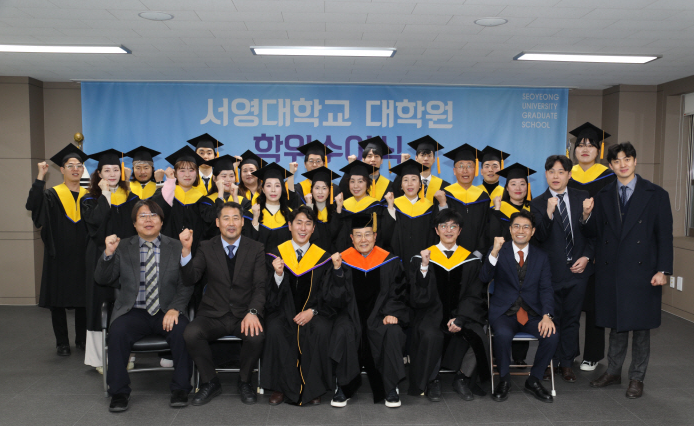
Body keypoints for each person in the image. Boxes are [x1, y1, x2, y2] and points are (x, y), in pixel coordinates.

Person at [582, 142, 673, 399]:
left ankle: (637, 377)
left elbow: (664, 236)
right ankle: (613, 371)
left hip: (644, 271)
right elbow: (595, 233)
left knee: (641, 328)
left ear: (634, 161)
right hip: (612, 269)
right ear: (610, 166)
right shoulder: (603, 195)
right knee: (616, 324)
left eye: (627, 159)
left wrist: (663, 270)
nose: (622, 164)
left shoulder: (656, 194)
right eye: (616, 161)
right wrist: (586, 216)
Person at [94, 199, 194, 412]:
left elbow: (186, 283)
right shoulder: (122, 246)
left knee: (183, 331)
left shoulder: (176, 246)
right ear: (134, 223)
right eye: (142, 216)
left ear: (161, 221)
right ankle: (119, 392)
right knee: (118, 333)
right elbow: (102, 279)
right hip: (133, 311)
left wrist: (176, 308)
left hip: (166, 310)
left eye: (153, 215)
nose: (148, 220)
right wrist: (108, 253)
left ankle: (181, 388)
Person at [181, 202, 267, 405]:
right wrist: (186, 250)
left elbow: (260, 286)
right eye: (226, 218)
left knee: (256, 336)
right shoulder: (206, 247)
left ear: (243, 222)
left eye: (236, 218)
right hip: (213, 313)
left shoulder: (256, 248)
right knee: (191, 333)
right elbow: (191, 278)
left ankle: (245, 381)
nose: (231, 223)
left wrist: (253, 312)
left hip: (244, 313)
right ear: (218, 222)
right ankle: (210, 381)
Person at [326, 214, 409, 408]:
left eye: (367, 234)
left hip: (380, 316)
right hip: (351, 315)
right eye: (358, 235)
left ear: (375, 236)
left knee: (392, 331)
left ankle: (390, 386)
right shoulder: (342, 260)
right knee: (343, 329)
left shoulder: (389, 261)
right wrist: (337, 272)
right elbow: (333, 298)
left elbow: (399, 291)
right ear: (351, 238)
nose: (363, 240)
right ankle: (344, 385)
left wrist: (392, 312)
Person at [408, 209, 489, 402]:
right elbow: (416, 297)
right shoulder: (423, 258)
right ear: (436, 230)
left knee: (479, 334)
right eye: (443, 226)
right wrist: (424, 267)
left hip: (462, 314)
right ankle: (432, 380)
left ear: (460, 231)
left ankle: (462, 377)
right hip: (431, 314)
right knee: (430, 333)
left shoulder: (470, 260)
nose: (448, 230)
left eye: (453, 226)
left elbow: (474, 294)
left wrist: (461, 318)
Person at [479, 211, 558, 403]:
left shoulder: (541, 256)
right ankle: (504, 379)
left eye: (526, 227)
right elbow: (483, 278)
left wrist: (547, 315)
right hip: (504, 313)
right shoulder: (499, 250)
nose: (520, 230)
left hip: (532, 313)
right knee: (503, 335)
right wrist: (494, 252)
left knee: (552, 335)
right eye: (516, 226)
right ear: (510, 229)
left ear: (533, 231)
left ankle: (534, 379)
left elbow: (546, 288)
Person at [262, 206, 335, 406]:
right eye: (299, 223)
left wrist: (312, 311)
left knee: (320, 329)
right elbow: (268, 297)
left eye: (308, 224)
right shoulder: (276, 255)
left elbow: (328, 294)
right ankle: (280, 386)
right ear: (289, 226)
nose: (303, 228)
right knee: (275, 328)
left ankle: (314, 387)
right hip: (282, 311)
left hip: (313, 313)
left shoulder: (323, 258)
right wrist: (278, 275)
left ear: (313, 228)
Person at [530, 155, 593, 383]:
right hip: (550, 271)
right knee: (551, 318)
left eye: (560, 172)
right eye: (551, 172)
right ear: (546, 175)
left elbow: (594, 233)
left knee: (572, 318)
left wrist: (587, 256)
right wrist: (548, 213)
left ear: (569, 174)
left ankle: (566, 363)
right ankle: (550, 361)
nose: (555, 176)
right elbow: (539, 237)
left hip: (578, 269)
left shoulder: (583, 197)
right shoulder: (537, 202)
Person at [26, 144, 89, 356]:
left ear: (83, 169)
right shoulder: (52, 195)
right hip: (59, 255)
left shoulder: (91, 196)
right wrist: (40, 177)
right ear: (61, 170)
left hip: (84, 255)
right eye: (70, 165)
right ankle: (62, 342)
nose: (75, 169)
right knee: (57, 300)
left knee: (84, 300)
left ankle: (82, 339)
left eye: (78, 165)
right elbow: (32, 205)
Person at [81, 149, 140, 372]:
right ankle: (98, 359)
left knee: (127, 303)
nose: (112, 174)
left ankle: (128, 355)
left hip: (127, 257)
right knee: (98, 304)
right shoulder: (89, 199)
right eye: (107, 170)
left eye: (116, 170)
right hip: (99, 256)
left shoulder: (132, 198)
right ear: (99, 174)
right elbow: (95, 224)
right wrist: (105, 195)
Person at [566, 122, 616, 372]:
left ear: (599, 150)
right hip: (570, 248)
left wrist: (595, 251)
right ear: (574, 150)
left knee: (595, 305)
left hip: (597, 249)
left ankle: (592, 355)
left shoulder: (608, 177)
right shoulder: (567, 174)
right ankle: (568, 352)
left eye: (591, 145)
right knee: (570, 305)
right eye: (581, 145)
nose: (585, 149)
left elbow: (611, 218)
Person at [489, 163, 536, 367]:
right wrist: (497, 211)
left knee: (525, 305)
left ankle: (519, 356)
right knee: (505, 309)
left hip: (528, 267)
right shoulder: (497, 209)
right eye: (513, 184)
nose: (518, 188)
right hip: (503, 269)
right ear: (506, 187)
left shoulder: (534, 209)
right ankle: (499, 355)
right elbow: (491, 237)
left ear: (527, 187)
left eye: (522, 184)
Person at [434, 144, 490, 255]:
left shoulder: (483, 197)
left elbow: (486, 227)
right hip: (449, 253)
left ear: (475, 170)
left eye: (469, 166)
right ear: (454, 171)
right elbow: (437, 225)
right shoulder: (445, 194)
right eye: (460, 166)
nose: (465, 170)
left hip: (477, 255)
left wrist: (479, 252)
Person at [382, 159, 435, 265]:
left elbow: (433, 237)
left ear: (420, 184)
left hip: (423, 261)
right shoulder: (393, 206)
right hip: (397, 262)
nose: (409, 184)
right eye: (405, 180)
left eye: (414, 179)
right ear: (401, 185)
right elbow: (386, 235)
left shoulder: (429, 208)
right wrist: (391, 208)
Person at [335, 160, 387, 251]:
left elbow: (380, 237)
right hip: (347, 255)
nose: (355, 186)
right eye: (352, 181)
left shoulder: (376, 207)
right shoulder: (344, 206)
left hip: (370, 255)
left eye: (360, 181)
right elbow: (338, 235)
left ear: (367, 183)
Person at [248, 162, 299, 249]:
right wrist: (255, 220)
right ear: (263, 189)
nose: (273, 190)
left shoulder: (291, 215)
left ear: (282, 189)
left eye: (277, 186)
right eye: (268, 185)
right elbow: (248, 244)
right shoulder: (252, 214)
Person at [200, 155, 250, 239]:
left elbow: (246, 228)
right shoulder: (206, 202)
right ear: (214, 178)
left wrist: (235, 198)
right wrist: (220, 194)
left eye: (231, 176)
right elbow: (208, 227)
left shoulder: (244, 202)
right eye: (224, 176)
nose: (228, 179)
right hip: (213, 245)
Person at [339, 136, 394, 203]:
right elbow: (343, 193)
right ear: (363, 160)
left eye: (376, 156)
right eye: (369, 156)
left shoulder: (389, 185)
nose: (373, 159)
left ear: (381, 160)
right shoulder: (354, 182)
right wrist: (351, 167)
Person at [301, 166, 342, 252]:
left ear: (329, 191)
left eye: (324, 188)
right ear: (311, 190)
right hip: (310, 255)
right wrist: (309, 206)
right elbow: (306, 234)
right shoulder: (304, 209)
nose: (320, 192)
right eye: (317, 188)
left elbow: (336, 234)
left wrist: (339, 209)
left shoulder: (335, 210)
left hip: (332, 255)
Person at [293, 139, 341, 204]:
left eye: (318, 161)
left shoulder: (334, 189)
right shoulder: (298, 188)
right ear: (305, 164)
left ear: (324, 164)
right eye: (311, 161)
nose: (314, 165)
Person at [406, 135, 450, 203]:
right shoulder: (407, 184)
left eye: (429, 156)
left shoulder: (444, 186)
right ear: (416, 158)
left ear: (434, 159)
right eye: (422, 155)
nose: (426, 159)